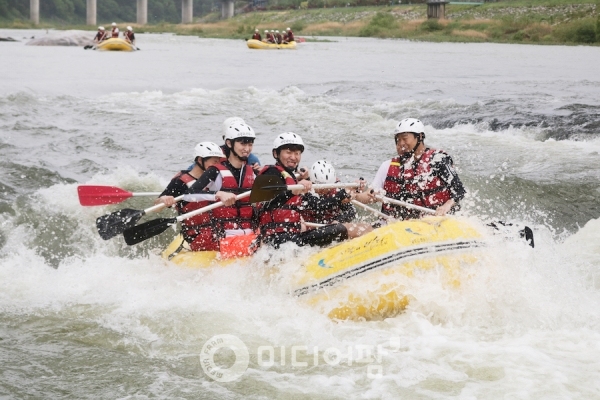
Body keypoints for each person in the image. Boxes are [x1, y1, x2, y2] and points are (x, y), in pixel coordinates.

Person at [256, 133, 371, 249]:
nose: (293, 157)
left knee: (356, 227)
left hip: (293, 239)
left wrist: (345, 193)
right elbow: (268, 198)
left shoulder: (297, 183)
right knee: (348, 229)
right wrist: (293, 191)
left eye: (297, 153)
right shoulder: (271, 173)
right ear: (276, 153)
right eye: (288, 152)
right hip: (278, 240)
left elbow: (319, 205)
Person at [355, 118, 466, 220]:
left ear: (420, 136)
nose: (401, 143)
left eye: (405, 138)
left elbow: (459, 190)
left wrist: (447, 205)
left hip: (434, 220)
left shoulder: (437, 160)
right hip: (398, 224)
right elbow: (369, 195)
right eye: (398, 140)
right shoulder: (387, 166)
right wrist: (354, 195)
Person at [187, 122, 257, 246]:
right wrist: (218, 194)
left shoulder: (253, 172)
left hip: (250, 234)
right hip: (224, 235)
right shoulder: (215, 170)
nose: (247, 149)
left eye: (250, 144)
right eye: (243, 143)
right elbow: (189, 195)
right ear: (229, 143)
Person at [155, 142, 226, 251]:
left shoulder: (217, 178)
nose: (217, 165)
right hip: (196, 235)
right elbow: (157, 207)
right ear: (200, 160)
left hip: (218, 231)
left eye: (219, 162)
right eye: (214, 161)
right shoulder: (180, 182)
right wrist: (163, 199)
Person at [302, 160, 357, 224]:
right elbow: (319, 206)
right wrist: (342, 194)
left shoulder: (336, 189)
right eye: (319, 187)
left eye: (326, 188)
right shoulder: (306, 190)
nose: (323, 190)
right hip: (310, 227)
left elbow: (352, 211)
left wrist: (339, 220)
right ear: (312, 182)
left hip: (331, 226)